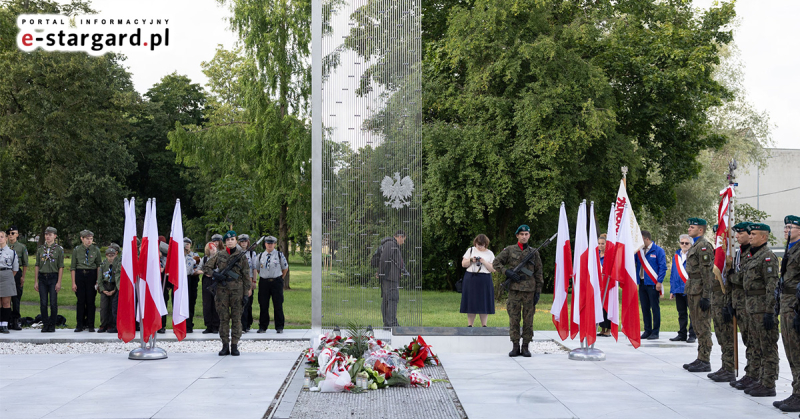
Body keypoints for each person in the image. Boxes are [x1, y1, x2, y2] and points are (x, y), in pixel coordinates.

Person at [493, 225, 543, 358]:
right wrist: (507, 272)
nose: (524, 236)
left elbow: (538, 272)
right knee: (514, 318)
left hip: (529, 291)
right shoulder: (509, 250)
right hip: (514, 290)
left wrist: (538, 291)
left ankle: (525, 346)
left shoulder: (534, 252)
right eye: (521, 234)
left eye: (526, 234)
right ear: (517, 236)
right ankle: (515, 346)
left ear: (529, 235)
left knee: (528, 319)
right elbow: (496, 263)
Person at [741, 223, 780, 397]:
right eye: (750, 234)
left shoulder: (768, 257)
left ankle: (769, 384)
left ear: (764, 237)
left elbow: (772, 286)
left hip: (762, 308)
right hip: (751, 307)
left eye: (754, 234)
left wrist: (770, 311)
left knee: (768, 347)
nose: (750, 236)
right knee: (756, 346)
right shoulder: (752, 256)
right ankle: (760, 380)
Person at [202, 231, 251, 356]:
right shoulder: (219, 255)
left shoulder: (242, 256)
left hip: (237, 292)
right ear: (225, 242)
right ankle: (225, 345)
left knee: (236, 319)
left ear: (236, 241)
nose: (230, 241)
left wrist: (246, 294)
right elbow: (206, 267)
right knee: (223, 319)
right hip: (222, 291)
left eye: (232, 239)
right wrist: (215, 274)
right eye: (227, 240)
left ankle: (234, 345)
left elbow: (246, 276)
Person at [682, 218, 715, 373]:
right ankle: (700, 357)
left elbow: (707, 273)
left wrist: (706, 296)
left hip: (700, 290)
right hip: (693, 289)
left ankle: (705, 359)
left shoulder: (704, 246)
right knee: (696, 325)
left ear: (700, 230)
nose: (689, 229)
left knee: (703, 325)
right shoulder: (696, 245)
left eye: (692, 227)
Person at [728, 223, 757, 390]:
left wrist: (733, 276)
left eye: (740, 233)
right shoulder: (739, 253)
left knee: (754, 342)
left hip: (751, 303)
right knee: (748, 340)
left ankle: (755, 375)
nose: (737, 236)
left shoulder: (752, 254)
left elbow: (744, 279)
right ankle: (750, 373)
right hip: (741, 302)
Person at [776, 215, 800, 411]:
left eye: (790, 227)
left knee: (798, 351)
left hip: (796, 306)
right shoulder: (789, 249)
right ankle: (795, 392)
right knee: (790, 350)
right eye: (785, 227)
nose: (786, 230)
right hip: (786, 304)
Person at [635, 231, 667, 340]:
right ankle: (647, 330)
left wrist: (659, 281)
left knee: (654, 308)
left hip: (653, 284)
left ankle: (655, 331)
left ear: (647, 239)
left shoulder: (658, 250)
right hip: (642, 282)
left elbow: (662, 267)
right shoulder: (639, 251)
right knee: (645, 308)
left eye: (641, 239)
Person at [460, 234, 496, 327]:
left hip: (485, 279)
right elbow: (463, 264)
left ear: (486, 244)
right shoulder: (470, 250)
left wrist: (483, 261)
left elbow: (493, 269)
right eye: (478, 244)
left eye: (482, 245)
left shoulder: (490, 253)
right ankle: (469, 325)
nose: (479, 246)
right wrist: (472, 260)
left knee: (484, 302)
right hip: (471, 278)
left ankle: (484, 325)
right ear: (475, 243)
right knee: (471, 301)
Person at [71, 230, 102, 332]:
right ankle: (79, 324)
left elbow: (98, 266)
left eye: (91, 239)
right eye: (87, 239)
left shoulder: (96, 250)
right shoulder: (77, 250)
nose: (89, 241)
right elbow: (73, 267)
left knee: (90, 301)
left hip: (91, 275)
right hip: (80, 275)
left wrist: (98, 281)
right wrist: (73, 282)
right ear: (82, 239)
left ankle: (90, 324)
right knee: (80, 301)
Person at [34, 227, 64, 333]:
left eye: (50, 234)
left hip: (53, 277)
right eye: (46, 234)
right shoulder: (40, 249)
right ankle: (45, 324)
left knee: (53, 302)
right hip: (42, 277)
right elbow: (37, 265)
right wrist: (36, 281)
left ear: (55, 236)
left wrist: (59, 282)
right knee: (43, 302)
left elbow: (61, 266)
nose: (47, 236)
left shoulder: (59, 249)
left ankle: (52, 324)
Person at [256, 236, 289, 334]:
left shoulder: (279, 255)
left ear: (275, 244)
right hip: (264, 282)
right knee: (263, 305)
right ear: (265, 244)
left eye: (272, 243)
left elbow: (285, 268)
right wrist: (265, 275)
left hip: (276, 282)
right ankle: (263, 326)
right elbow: (258, 269)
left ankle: (279, 327)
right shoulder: (260, 255)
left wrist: (279, 278)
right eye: (268, 243)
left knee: (278, 304)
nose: (269, 245)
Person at [378, 230, 408, 328]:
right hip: (389, 278)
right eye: (403, 239)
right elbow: (383, 259)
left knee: (388, 299)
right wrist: (380, 273)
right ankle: (392, 324)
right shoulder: (391, 244)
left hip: (390, 277)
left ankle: (388, 323)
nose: (403, 242)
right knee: (392, 299)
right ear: (400, 237)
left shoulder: (392, 245)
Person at [669, 234, 696, 343]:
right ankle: (682, 334)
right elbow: (673, 273)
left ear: (691, 244)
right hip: (678, 289)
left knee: (692, 313)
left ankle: (692, 335)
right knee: (681, 313)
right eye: (682, 243)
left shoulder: (694, 255)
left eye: (686, 243)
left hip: (690, 289)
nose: (684, 245)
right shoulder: (676, 256)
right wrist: (672, 290)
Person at [7, 226, 27, 330]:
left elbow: (25, 264)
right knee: (6, 297)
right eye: (9, 233)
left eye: (13, 233)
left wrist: (23, 277)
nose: (11, 235)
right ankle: (7, 320)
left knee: (16, 297)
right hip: (6, 273)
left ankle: (16, 320)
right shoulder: (3, 246)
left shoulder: (21, 247)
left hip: (17, 273)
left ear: (17, 235)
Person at [97, 246, 121, 333]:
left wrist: (114, 289)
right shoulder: (103, 265)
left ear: (116, 255)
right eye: (109, 255)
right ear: (106, 256)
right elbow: (99, 279)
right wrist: (103, 290)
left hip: (114, 286)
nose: (111, 257)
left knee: (113, 307)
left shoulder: (117, 265)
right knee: (104, 307)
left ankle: (111, 324)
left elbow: (118, 278)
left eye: (113, 255)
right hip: (105, 286)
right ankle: (103, 324)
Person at [238, 234, 258, 333]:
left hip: (249, 280)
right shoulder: (237, 252)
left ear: (248, 242)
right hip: (238, 280)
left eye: (245, 241)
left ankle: (247, 324)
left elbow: (254, 268)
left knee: (248, 303)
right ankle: (242, 325)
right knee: (240, 303)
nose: (244, 243)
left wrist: (254, 281)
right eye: (242, 241)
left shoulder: (251, 253)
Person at [0, 231, 20, 334]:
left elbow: (15, 268)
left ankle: (4, 324)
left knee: (6, 302)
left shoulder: (11, 252)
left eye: (2, 237)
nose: (0, 239)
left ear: (6, 238)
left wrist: (8, 277)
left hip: (7, 274)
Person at [200, 241, 220, 334]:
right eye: (211, 247)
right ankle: (208, 325)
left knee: (216, 303)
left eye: (214, 247)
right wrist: (204, 272)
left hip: (216, 280)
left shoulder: (220, 258)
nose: (213, 249)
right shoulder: (204, 259)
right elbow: (198, 269)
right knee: (207, 304)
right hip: (207, 281)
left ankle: (216, 325)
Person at [184, 238, 202, 333]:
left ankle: (189, 324)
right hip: (182, 281)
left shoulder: (195, 255)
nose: (186, 245)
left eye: (188, 243)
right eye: (185, 243)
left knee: (191, 302)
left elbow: (199, 266)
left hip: (192, 280)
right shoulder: (179, 255)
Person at [597, 234, 611, 337]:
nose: (600, 246)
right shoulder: (596, 255)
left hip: (607, 284)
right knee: (599, 306)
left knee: (607, 306)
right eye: (599, 243)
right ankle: (602, 328)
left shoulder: (609, 255)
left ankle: (609, 329)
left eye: (603, 244)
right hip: (598, 284)